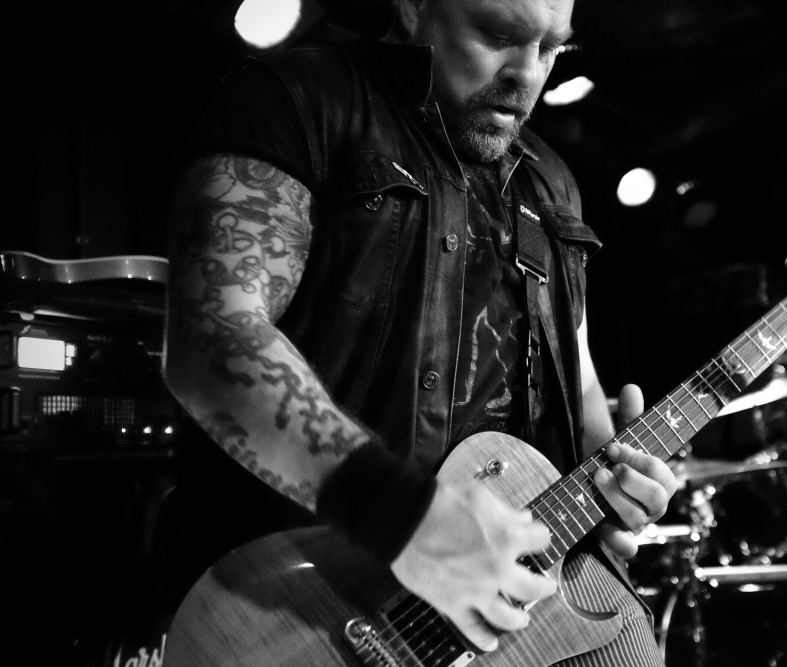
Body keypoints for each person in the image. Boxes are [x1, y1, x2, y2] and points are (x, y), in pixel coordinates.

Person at [162, 0, 678, 663]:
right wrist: (403, 515)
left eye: (554, 49)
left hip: (508, 611)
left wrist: (616, 482)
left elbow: (576, 387)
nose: (527, 75)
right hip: (304, 614)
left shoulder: (552, 183)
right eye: (498, 33)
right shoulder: (296, 100)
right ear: (411, 7)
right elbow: (214, 339)